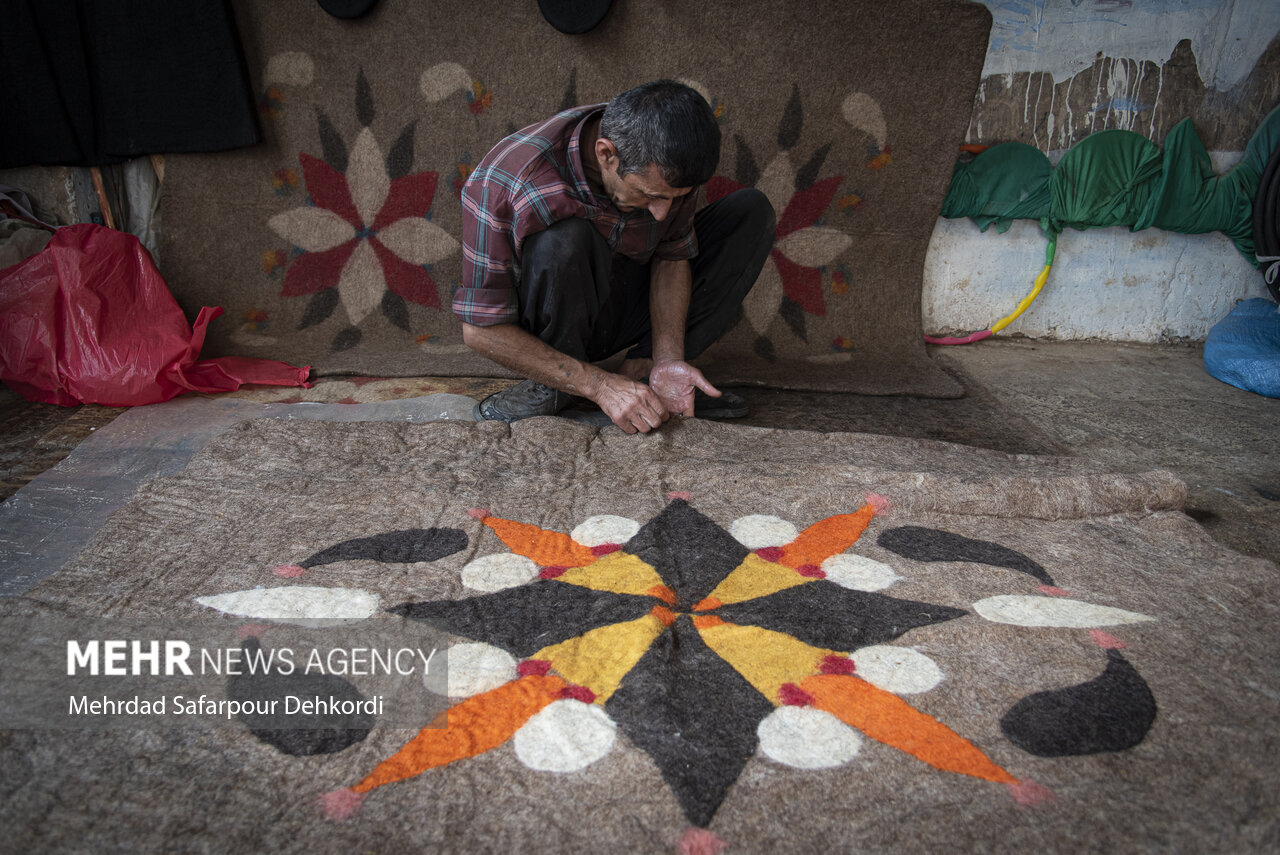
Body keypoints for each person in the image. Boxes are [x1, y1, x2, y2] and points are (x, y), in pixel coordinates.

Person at [455, 79, 775, 434]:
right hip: (552, 322)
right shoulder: (506, 181)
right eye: (649, 195)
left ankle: (646, 373)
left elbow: (671, 256)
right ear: (606, 154)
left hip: (624, 294)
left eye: (674, 198)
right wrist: (599, 386)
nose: (661, 213)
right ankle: (555, 387)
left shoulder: (665, 155)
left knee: (750, 212)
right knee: (563, 239)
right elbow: (480, 332)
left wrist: (666, 357)